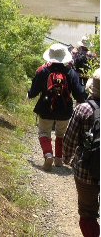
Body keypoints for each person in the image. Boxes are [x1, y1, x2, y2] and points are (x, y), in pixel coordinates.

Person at [28, 43, 86, 170]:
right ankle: (58, 159)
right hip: (65, 110)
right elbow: (80, 95)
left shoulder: (42, 70)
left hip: (46, 108)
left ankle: (48, 154)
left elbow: (33, 92)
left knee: (44, 133)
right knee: (61, 134)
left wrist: (29, 94)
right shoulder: (71, 72)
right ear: (65, 57)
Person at [63, 67, 100, 237]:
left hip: (86, 171)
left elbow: (69, 139)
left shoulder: (83, 109)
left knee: (87, 214)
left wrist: (66, 158)